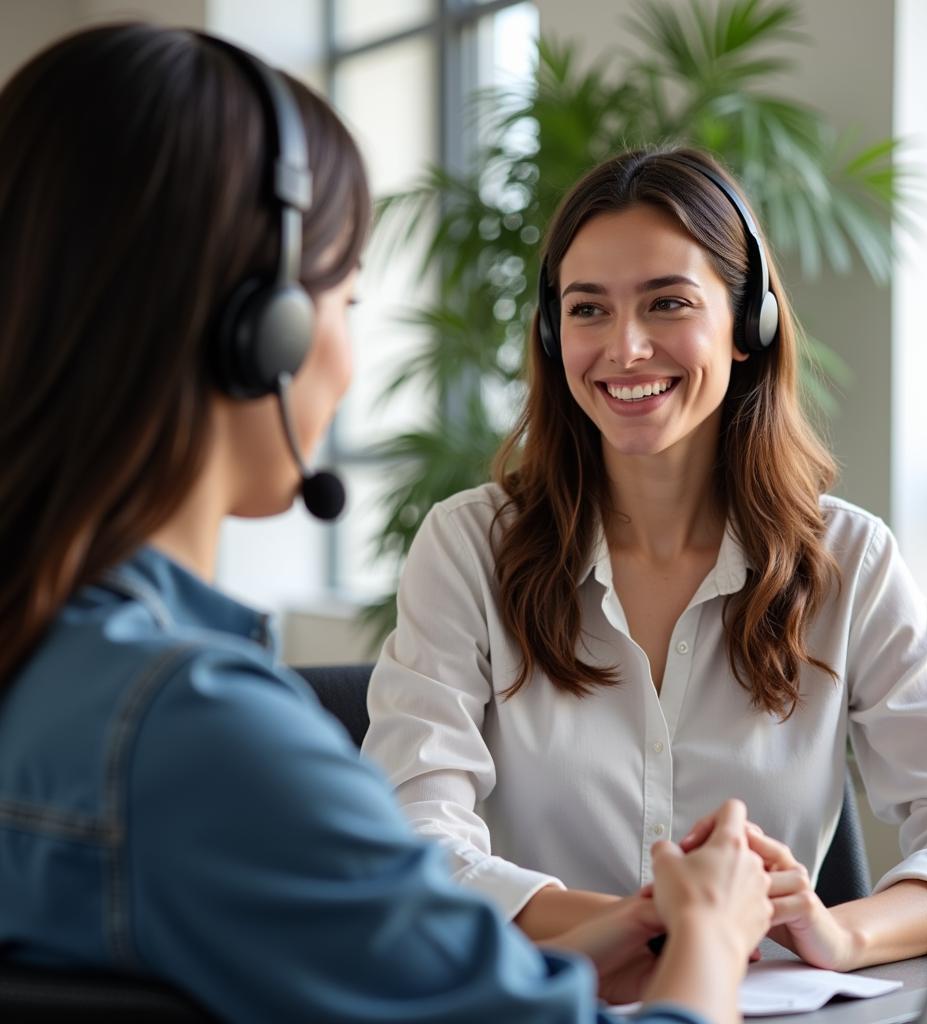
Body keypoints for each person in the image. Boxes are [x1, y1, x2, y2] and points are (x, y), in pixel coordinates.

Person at [0, 24, 776, 1024]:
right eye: (348, 296)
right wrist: (711, 929)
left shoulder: (53, 674)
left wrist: (565, 962)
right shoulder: (197, 737)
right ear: (260, 335)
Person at [362, 147, 927, 971]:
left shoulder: (848, 558)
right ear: (550, 331)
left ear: (752, 326)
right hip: (541, 999)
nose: (626, 348)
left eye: (667, 303)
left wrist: (847, 931)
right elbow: (408, 832)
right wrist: (666, 926)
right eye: (588, 309)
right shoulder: (470, 548)